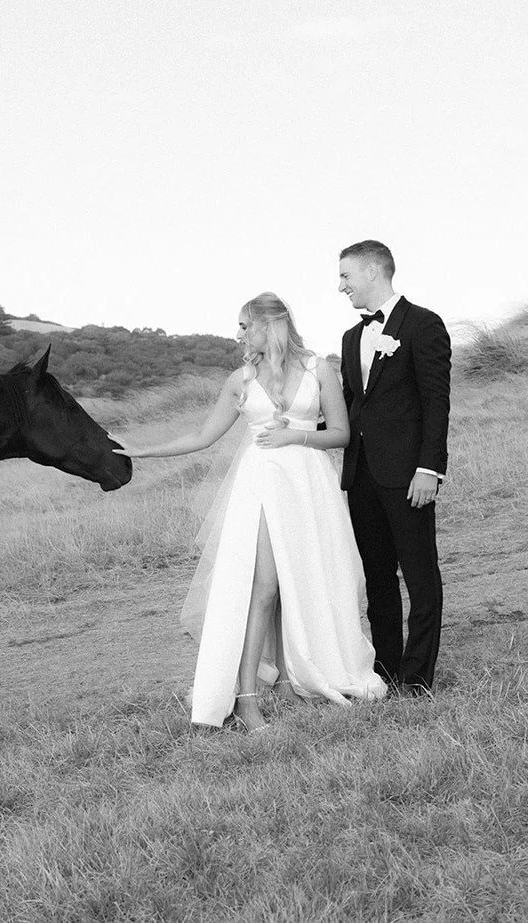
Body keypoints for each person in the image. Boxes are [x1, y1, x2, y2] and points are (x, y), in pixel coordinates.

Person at [112, 292, 386, 732]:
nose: (238, 334)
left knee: (302, 577)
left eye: (244, 325)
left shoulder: (320, 370)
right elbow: (202, 436)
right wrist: (142, 451)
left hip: (308, 486)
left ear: (269, 325)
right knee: (264, 586)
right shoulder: (240, 380)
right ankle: (245, 699)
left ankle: (287, 682)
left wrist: (296, 438)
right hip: (260, 487)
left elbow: (341, 434)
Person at [338, 240, 451, 694]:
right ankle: (384, 671)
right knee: (378, 577)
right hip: (361, 475)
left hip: (408, 476)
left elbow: (435, 403)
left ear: (371, 271)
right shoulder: (350, 338)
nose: (340, 285)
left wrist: (429, 469)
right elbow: (352, 406)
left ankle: (418, 676)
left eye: (345, 276)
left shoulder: (424, 324)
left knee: (421, 576)